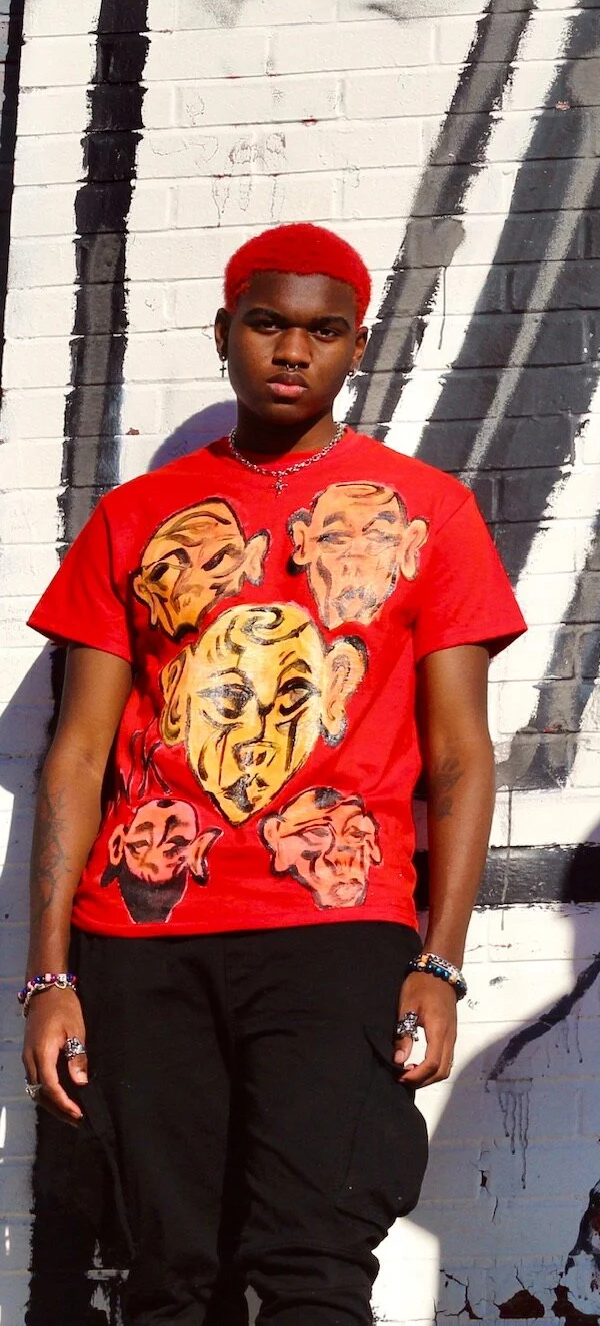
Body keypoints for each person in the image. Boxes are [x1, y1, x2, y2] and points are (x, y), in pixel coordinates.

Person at [21, 222, 526, 1325]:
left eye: (323, 332)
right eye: (267, 325)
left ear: (358, 347)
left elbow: (459, 754)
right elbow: (79, 755)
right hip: (143, 941)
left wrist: (439, 963)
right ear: (224, 332)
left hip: (335, 936)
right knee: (168, 1275)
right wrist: (49, 977)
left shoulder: (428, 513)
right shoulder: (134, 519)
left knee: (315, 1264)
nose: (292, 352)